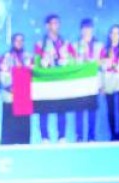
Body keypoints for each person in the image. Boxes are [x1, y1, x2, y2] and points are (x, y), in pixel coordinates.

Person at [34, 14, 73, 142]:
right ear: (47, 26)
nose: (56, 26)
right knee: (43, 108)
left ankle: (62, 136)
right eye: (53, 23)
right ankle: (45, 137)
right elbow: (36, 63)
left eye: (57, 23)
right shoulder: (40, 44)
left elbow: (73, 60)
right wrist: (44, 62)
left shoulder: (65, 43)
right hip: (46, 81)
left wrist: (65, 61)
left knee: (62, 108)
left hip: (61, 80)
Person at [0, 33, 32, 145]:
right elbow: (2, 73)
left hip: (24, 94)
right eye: (17, 40)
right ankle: (7, 143)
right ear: (13, 42)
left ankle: (24, 142)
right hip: (10, 93)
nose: (19, 43)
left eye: (21, 40)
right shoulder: (6, 57)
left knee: (24, 121)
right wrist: (10, 86)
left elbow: (32, 73)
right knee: (9, 120)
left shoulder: (28, 57)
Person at [100, 25, 119, 141]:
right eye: (113, 33)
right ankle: (113, 134)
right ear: (109, 35)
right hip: (108, 81)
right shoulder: (104, 50)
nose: (115, 35)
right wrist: (101, 85)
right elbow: (101, 69)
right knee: (110, 109)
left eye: (117, 33)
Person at [72, 19, 100, 142]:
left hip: (93, 82)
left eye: (89, 28)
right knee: (79, 110)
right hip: (79, 82)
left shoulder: (99, 46)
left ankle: (91, 136)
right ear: (81, 30)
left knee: (92, 109)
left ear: (92, 30)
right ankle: (79, 136)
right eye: (84, 28)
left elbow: (103, 63)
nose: (87, 31)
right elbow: (71, 62)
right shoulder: (75, 46)